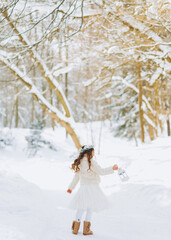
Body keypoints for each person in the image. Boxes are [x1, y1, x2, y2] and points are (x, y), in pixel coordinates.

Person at [67, 145, 118, 235]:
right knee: (90, 208)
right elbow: (101, 171)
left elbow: (76, 177)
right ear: (88, 153)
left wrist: (71, 187)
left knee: (81, 207)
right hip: (93, 187)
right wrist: (112, 168)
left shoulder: (79, 163)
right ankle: (86, 230)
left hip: (83, 188)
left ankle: (75, 228)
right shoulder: (91, 162)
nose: (93, 154)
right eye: (92, 152)